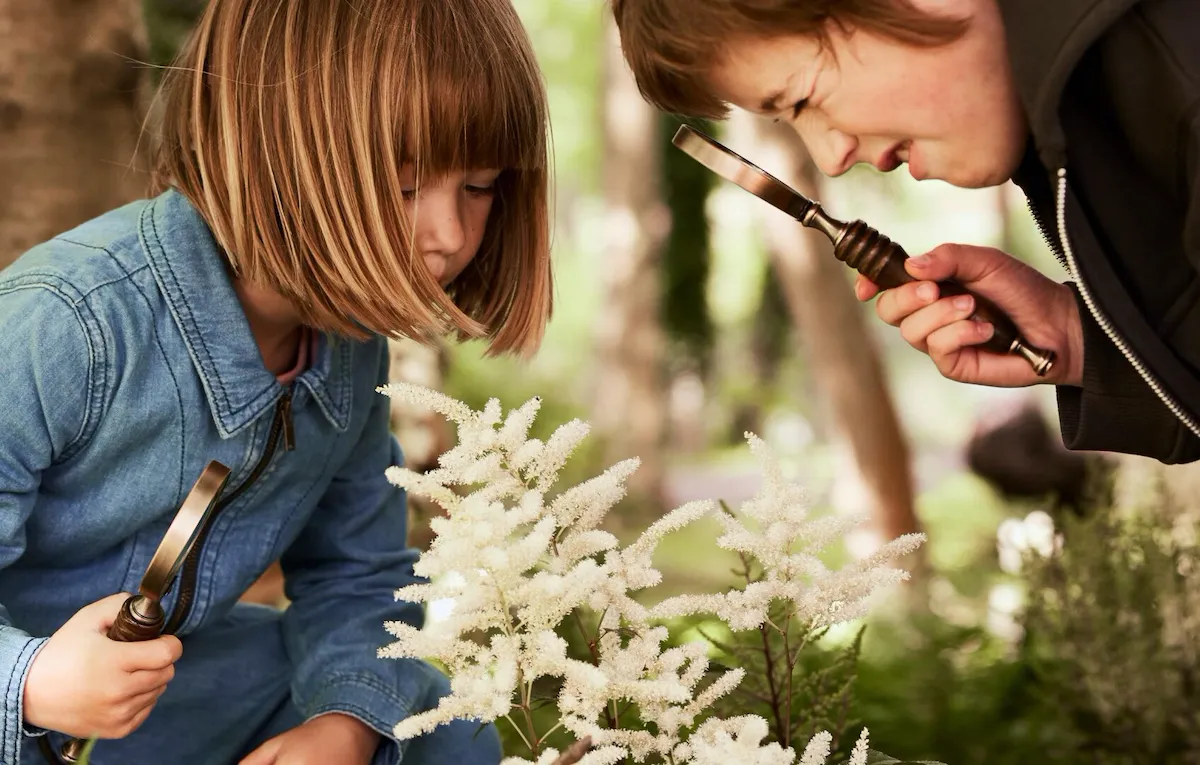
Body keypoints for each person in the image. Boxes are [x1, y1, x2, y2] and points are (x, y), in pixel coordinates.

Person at [0, 0, 551, 762]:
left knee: (439, 729)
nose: (450, 235)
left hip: (159, 702)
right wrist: (28, 682)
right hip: (25, 701)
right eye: (401, 187)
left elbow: (358, 576)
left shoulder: (348, 345)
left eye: (481, 186)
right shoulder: (67, 322)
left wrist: (345, 723)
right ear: (273, 151)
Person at [612, 0, 1200, 464]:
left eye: (804, 98)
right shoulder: (1087, 109)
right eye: (790, 120)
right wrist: (1083, 345)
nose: (832, 156)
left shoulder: (1180, 63)